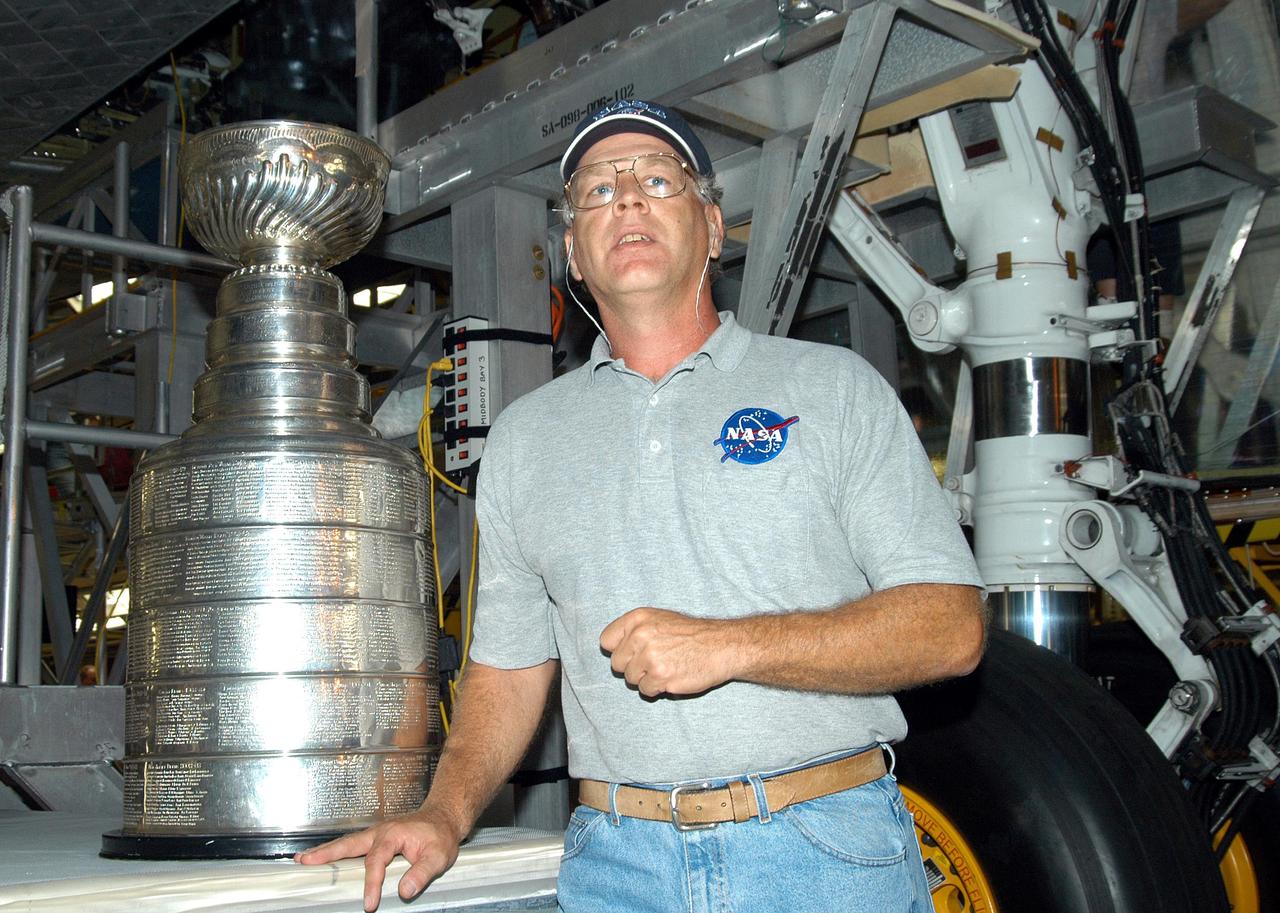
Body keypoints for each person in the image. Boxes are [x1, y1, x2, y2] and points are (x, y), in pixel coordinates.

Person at [298, 99, 986, 913]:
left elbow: (952, 627)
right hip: (618, 868)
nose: (625, 199)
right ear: (572, 259)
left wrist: (729, 646)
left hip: (821, 852)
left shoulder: (832, 388)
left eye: (657, 179)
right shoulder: (524, 440)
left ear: (713, 226)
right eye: (596, 191)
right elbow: (508, 670)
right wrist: (445, 812)